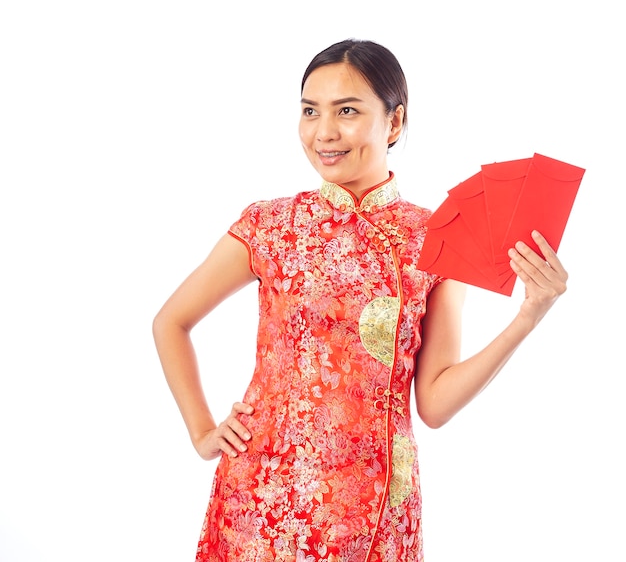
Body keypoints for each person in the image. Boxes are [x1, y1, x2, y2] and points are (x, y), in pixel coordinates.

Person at [152, 39, 568, 562]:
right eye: (310, 111)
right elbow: (171, 321)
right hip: (263, 502)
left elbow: (434, 405)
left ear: (394, 123)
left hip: (377, 511)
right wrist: (202, 431)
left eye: (346, 111)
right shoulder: (270, 225)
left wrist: (528, 316)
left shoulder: (434, 240)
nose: (323, 132)